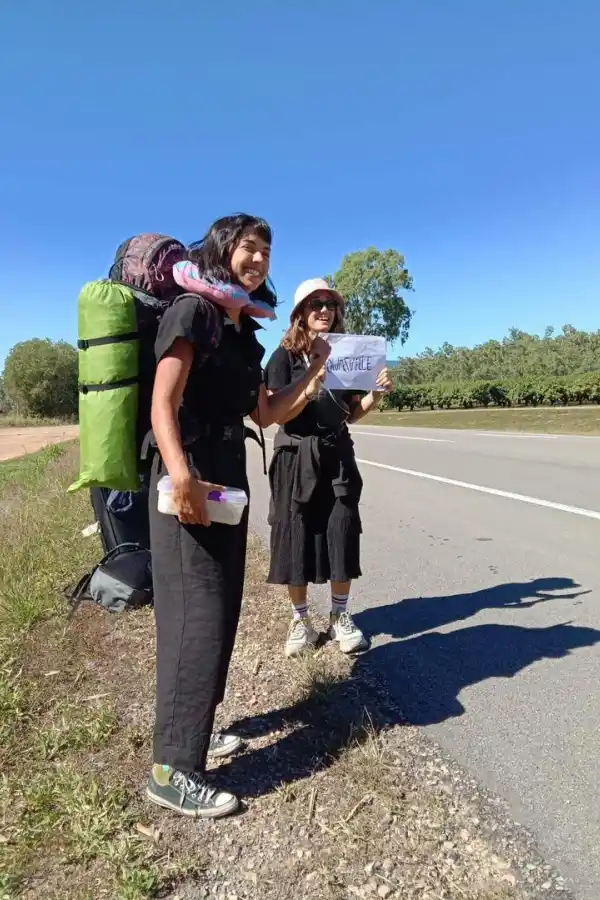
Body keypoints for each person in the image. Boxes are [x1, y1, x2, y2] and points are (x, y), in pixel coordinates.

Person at [146, 217, 331, 819]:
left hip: (226, 482)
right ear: (224, 250)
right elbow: (162, 403)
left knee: (222, 611)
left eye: (267, 250)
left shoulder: (244, 333)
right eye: (249, 246)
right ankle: (172, 771)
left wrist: (314, 372)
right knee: (193, 616)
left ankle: (196, 733)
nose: (259, 258)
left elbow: (270, 411)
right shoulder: (193, 313)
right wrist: (179, 476)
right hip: (188, 479)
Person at [264, 278, 392, 658]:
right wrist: (311, 381)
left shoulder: (348, 354)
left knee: (342, 531)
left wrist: (374, 395)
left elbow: (349, 415)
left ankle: (339, 616)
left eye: (330, 304)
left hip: (337, 454)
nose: (324, 309)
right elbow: (275, 415)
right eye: (315, 303)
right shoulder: (283, 358)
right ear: (300, 313)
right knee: (295, 536)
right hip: (295, 456)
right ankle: (300, 620)